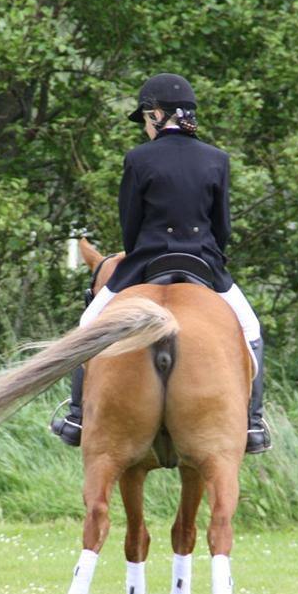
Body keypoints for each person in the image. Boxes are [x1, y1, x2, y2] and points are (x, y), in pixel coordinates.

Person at [51, 73, 270, 453]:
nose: (145, 128)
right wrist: (209, 254)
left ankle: (77, 417)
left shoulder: (138, 158)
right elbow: (222, 227)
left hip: (146, 263)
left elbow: (130, 224)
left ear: (157, 114)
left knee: (88, 325)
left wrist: (138, 255)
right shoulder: (217, 159)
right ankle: (253, 422)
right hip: (204, 264)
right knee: (251, 329)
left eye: (145, 119)